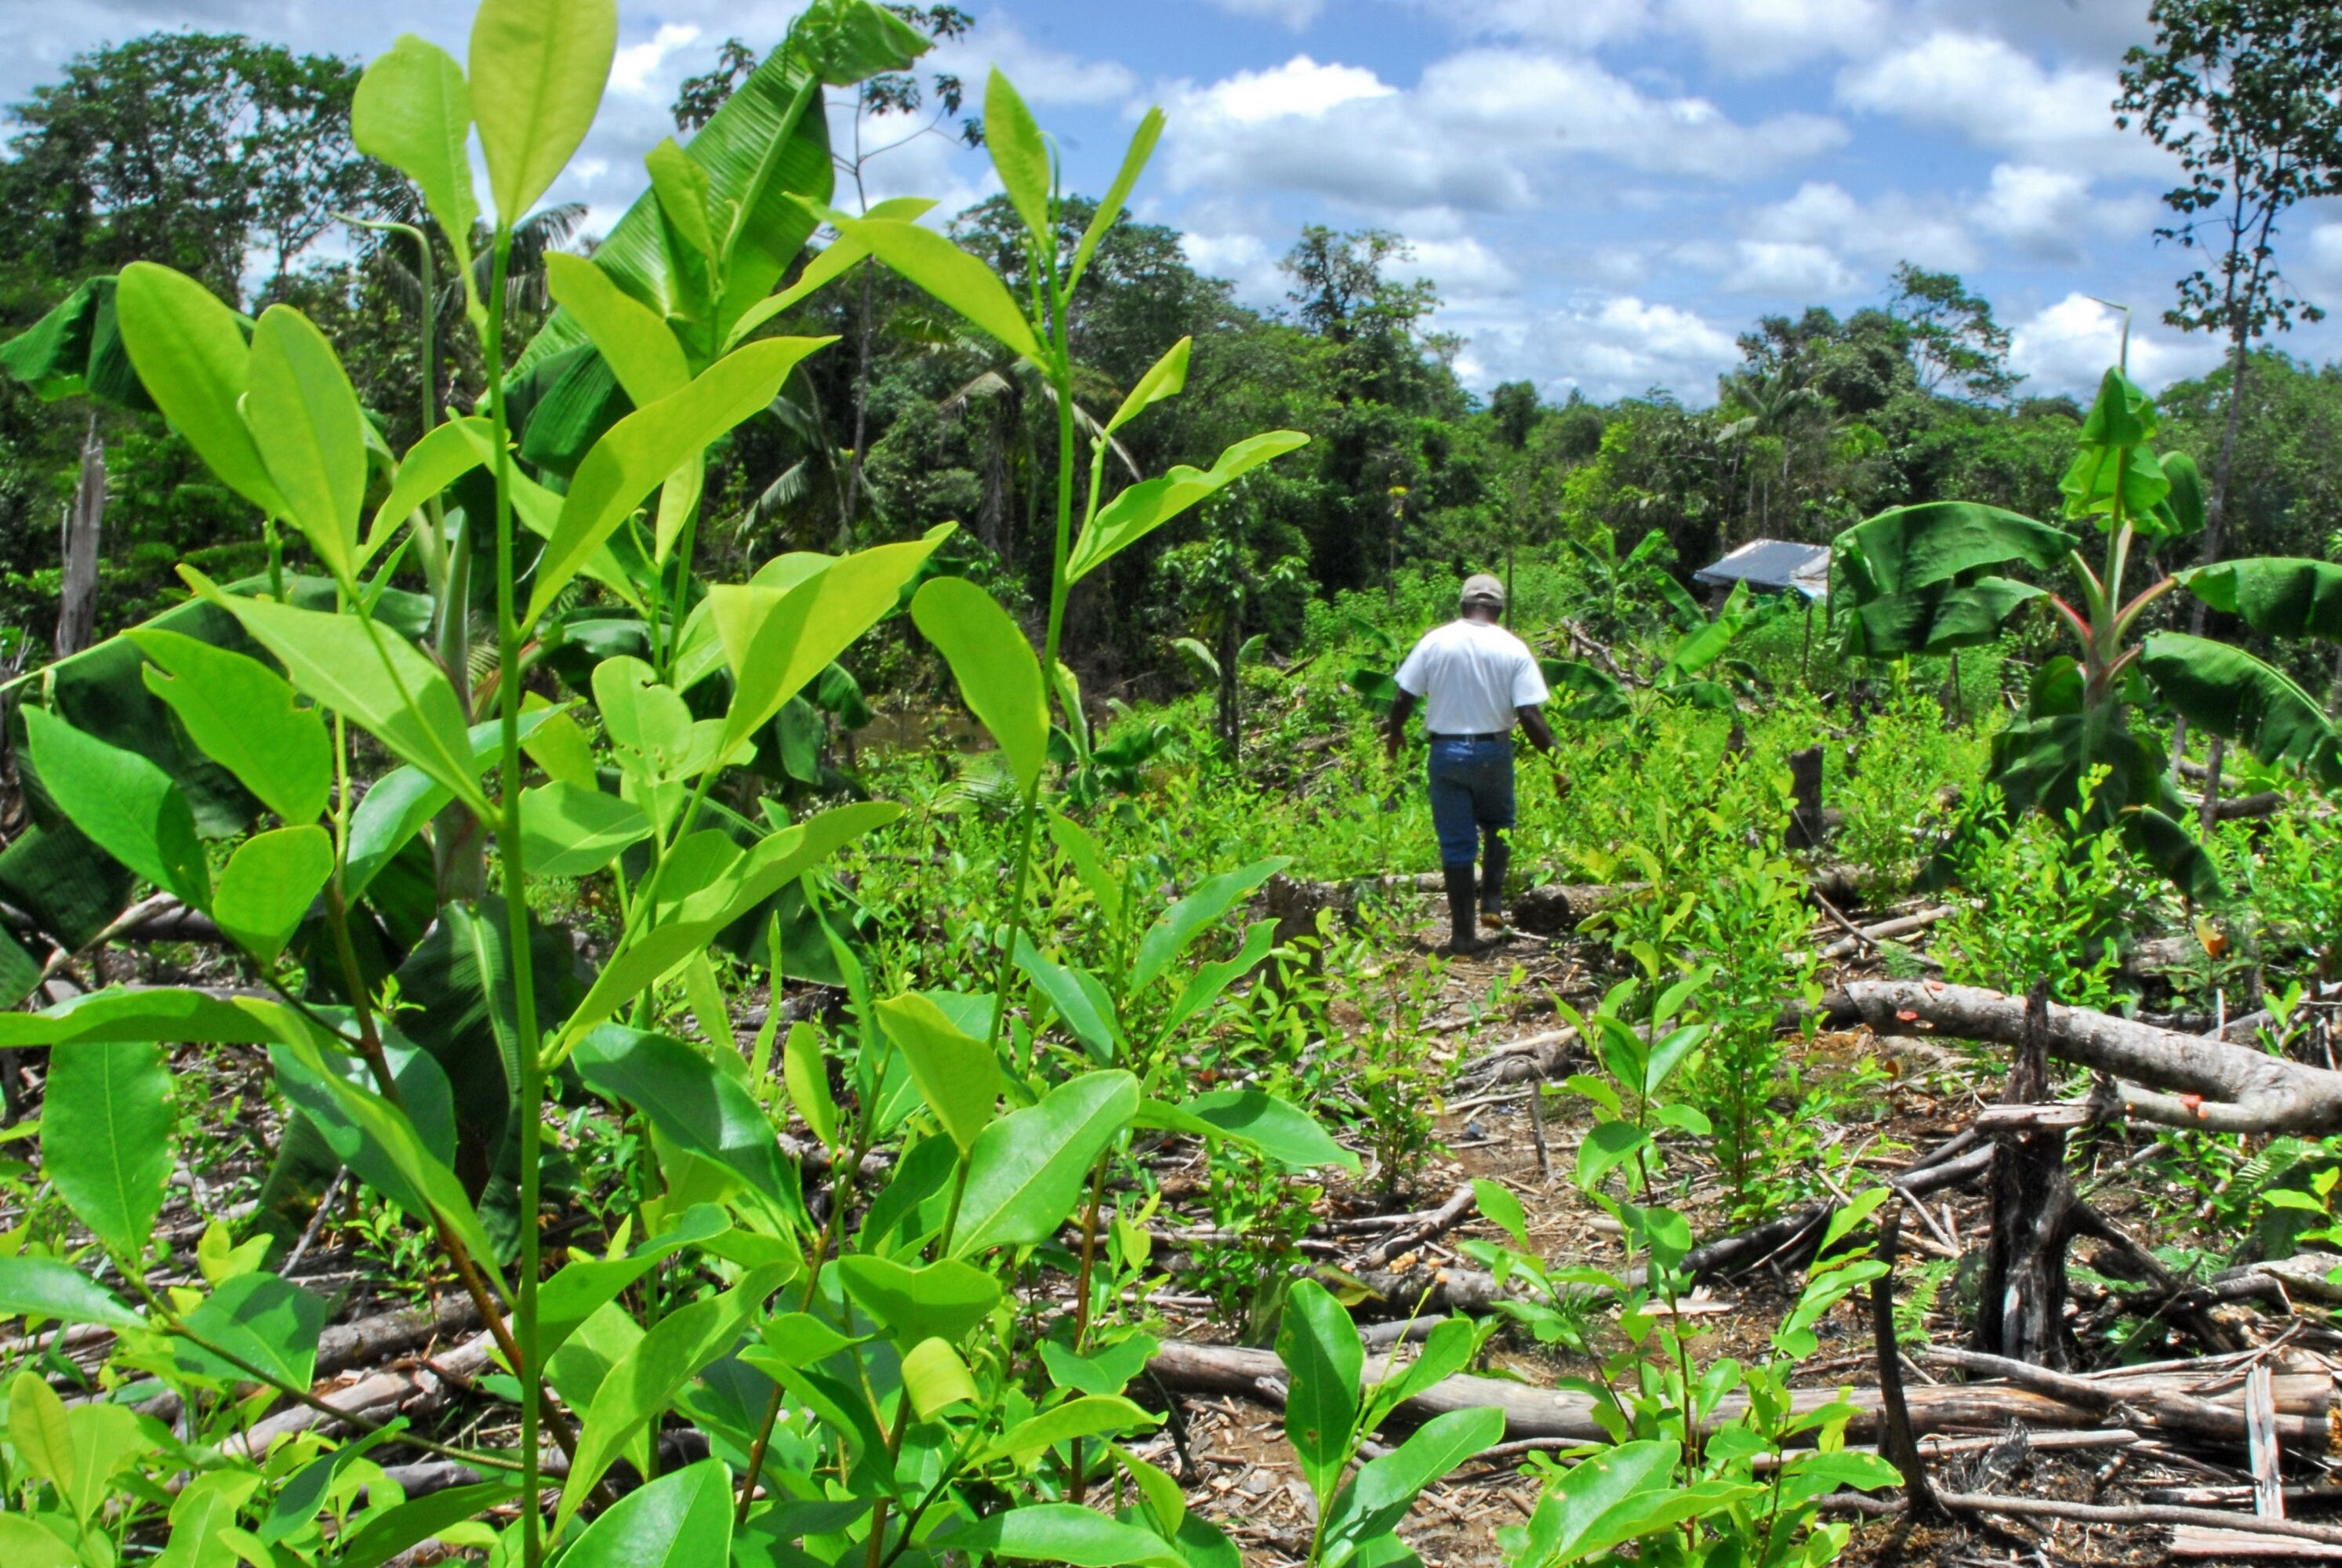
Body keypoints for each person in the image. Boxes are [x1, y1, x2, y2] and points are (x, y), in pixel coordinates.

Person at [1384, 574, 1556, 956]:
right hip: (1493, 751)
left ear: (1463, 606)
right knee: (1500, 825)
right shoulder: (1512, 648)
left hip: (1446, 754)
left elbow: (1403, 696)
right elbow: (1528, 714)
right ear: (1499, 609)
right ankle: (1491, 901)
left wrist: (1395, 735)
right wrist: (1557, 762)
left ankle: (1462, 935)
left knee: (1457, 845)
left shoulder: (1436, 641)